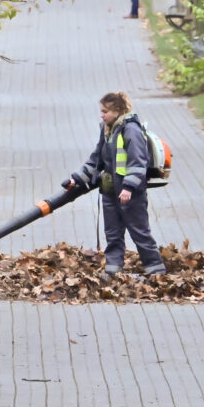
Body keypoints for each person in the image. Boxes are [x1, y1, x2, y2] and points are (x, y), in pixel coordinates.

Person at [64, 92, 166, 277]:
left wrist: (128, 188)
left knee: (140, 232)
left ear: (118, 111)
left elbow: (138, 163)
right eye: (101, 111)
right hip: (110, 191)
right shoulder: (107, 130)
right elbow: (96, 159)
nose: (101, 115)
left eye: (105, 111)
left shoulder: (131, 131)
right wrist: (76, 179)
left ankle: (156, 271)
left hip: (130, 194)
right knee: (112, 233)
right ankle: (112, 271)